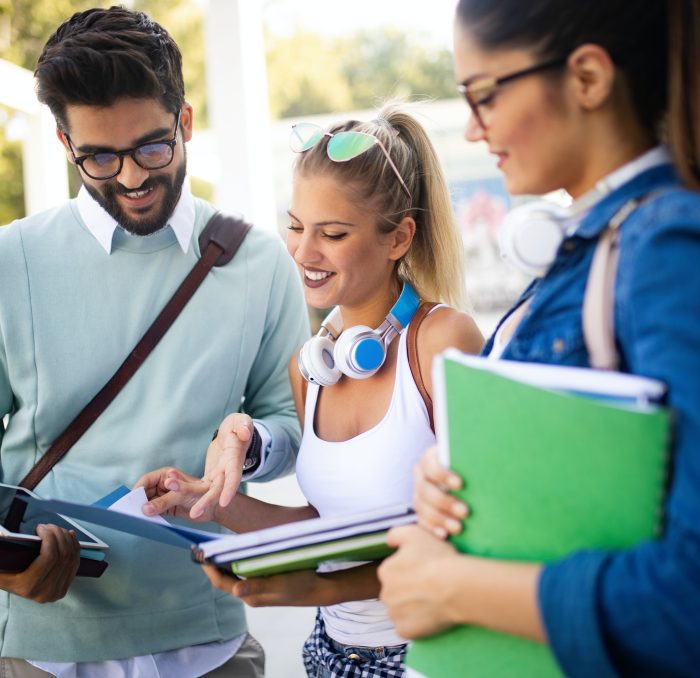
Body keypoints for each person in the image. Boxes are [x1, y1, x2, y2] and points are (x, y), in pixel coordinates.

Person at [377, 1, 700, 676]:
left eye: (485, 95)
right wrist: (464, 487)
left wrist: (451, 587)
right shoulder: (596, 246)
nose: (471, 129)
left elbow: (687, 595)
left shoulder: (663, 247)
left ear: (586, 78)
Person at [0, 6, 309, 677]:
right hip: (39, 646)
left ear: (186, 122)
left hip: (209, 639)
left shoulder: (257, 262)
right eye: (100, 158)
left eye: (151, 148)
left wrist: (248, 445)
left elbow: (291, 423)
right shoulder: (10, 261)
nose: (134, 178)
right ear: (62, 143)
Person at [139, 101, 484, 677]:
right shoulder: (312, 367)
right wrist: (210, 501)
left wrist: (318, 590)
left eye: (333, 233)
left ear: (399, 238)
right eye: (296, 226)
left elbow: (480, 540)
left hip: (432, 657)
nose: (302, 252)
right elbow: (328, 527)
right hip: (329, 657)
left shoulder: (443, 341)